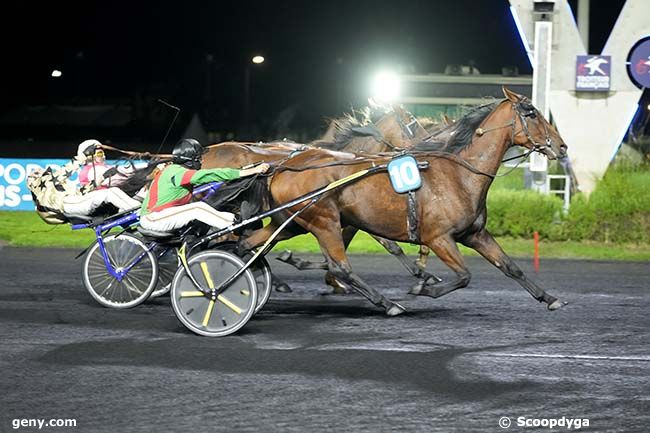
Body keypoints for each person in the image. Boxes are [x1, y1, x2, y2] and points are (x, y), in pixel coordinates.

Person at [138, 138, 269, 233]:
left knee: (196, 208)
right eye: (199, 158)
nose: (202, 160)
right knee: (196, 209)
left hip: (162, 215)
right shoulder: (178, 172)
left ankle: (233, 221)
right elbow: (211, 175)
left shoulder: (175, 169)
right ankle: (236, 223)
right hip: (152, 218)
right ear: (190, 159)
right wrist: (248, 172)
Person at [27, 139, 142, 223]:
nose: (40, 170)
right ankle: (142, 213)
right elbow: (63, 172)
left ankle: (140, 210)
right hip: (68, 206)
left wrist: (101, 178)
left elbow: (81, 192)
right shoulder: (46, 186)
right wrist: (82, 157)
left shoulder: (54, 191)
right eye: (38, 172)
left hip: (72, 204)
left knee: (113, 191)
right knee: (109, 193)